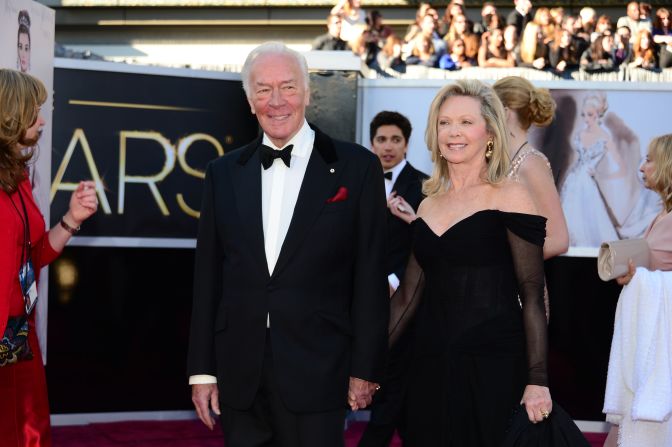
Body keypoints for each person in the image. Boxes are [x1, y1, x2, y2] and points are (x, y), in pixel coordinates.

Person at [187, 42, 389, 447]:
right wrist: (203, 371)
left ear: (308, 92)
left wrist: (365, 367)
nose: (276, 101)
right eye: (263, 90)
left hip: (320, 366)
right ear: (249, 100)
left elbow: (369, 275)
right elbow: (208, 277)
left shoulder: (357, 167)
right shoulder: (222, 172)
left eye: (288, 87)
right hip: (239, 370)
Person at [387, 79, 551, 446]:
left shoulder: (511, 195)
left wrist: (537, 379)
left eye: (465, 122)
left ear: (490, 132)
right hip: (430, 363)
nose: (453, 132)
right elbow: (407, 298)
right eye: (444, 122)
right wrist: (363, 364)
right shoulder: (428, 204)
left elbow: (533, 293)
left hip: (492, 365)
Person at [0, 69, 98, 447]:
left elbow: (33, 254)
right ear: (10, 114)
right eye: (33, 111)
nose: (42, 120)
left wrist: (72, 219)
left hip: (16, 337)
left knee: (26, 432)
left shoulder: (18, 175)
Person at [358, 111, 427, 447]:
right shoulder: (356, 182)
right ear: (371, 144)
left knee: (395, 379)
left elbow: (425, 246)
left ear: (407, 145)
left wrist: (395, 280)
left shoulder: (425, 187)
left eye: (395, 140)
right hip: (363, 299)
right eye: (381, 140)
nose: (388, 147)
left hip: (407, 299)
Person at [603, 133, 672, 447]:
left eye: (649, 159)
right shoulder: (662, 215)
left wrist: (642, 279)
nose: (642, 167)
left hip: (661, 350)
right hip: (648, 344)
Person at [493, 76, 569, 318]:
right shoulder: (504, 162)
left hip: (520, 293)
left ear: (504, 112)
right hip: (497, 289)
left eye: (488, 109)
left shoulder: (531, 164)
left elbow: (558, 239)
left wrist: (502, 259)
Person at [560, 93, 622, 247]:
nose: (586, 118)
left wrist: (601, 175)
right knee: (569, 215)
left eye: (590, 114)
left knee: (589, 219)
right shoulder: (580, 133)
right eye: (583, 114)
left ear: (598, 114)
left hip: (587, 184)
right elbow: (577, 159)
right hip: (573, 180)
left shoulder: (605, 137)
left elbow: (621, 167)